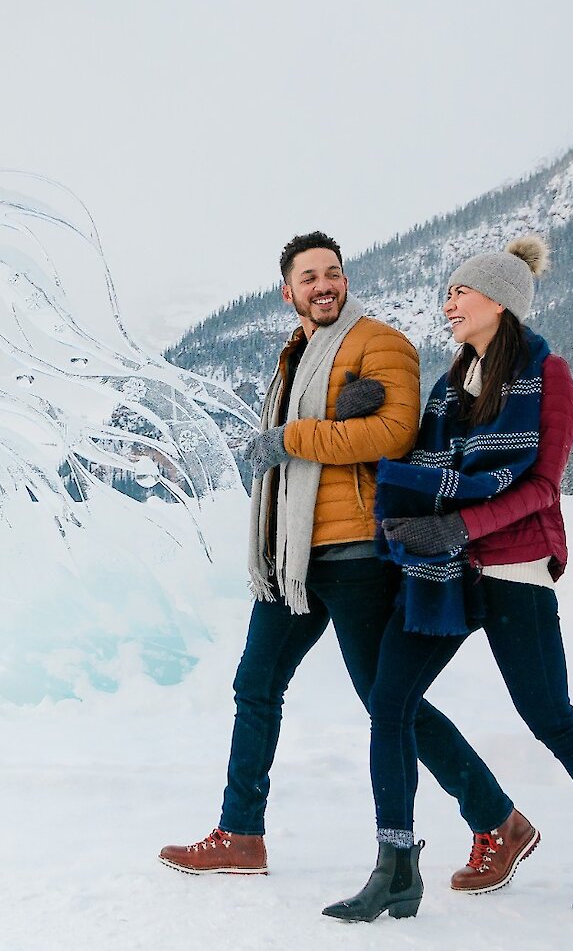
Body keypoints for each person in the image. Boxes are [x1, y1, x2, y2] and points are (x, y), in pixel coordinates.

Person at [325, 234, 573, 923]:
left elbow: (542, 485)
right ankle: (395, 867)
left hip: (513, 566)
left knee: (549, 716)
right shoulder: (450, 387)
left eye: (461, 290)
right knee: (389, 700)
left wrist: (462, 527)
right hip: (445, 571)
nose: (448, 301)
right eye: (448, 291)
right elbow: (420, 462)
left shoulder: (550, 376)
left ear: (500, 301)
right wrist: (363, 419)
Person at [159, 232, 520, 888]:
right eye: (308, 276)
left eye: (332, 273)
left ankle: (498, 819)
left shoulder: (378, 343)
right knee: (256, 684)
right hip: (291, 559)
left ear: (344, 282)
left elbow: (394, 431)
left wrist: (292, 436)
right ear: (288, 291)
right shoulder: (296, 354)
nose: (322, 284)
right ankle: (241, 832)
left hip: (354, 549)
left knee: (389, 700)